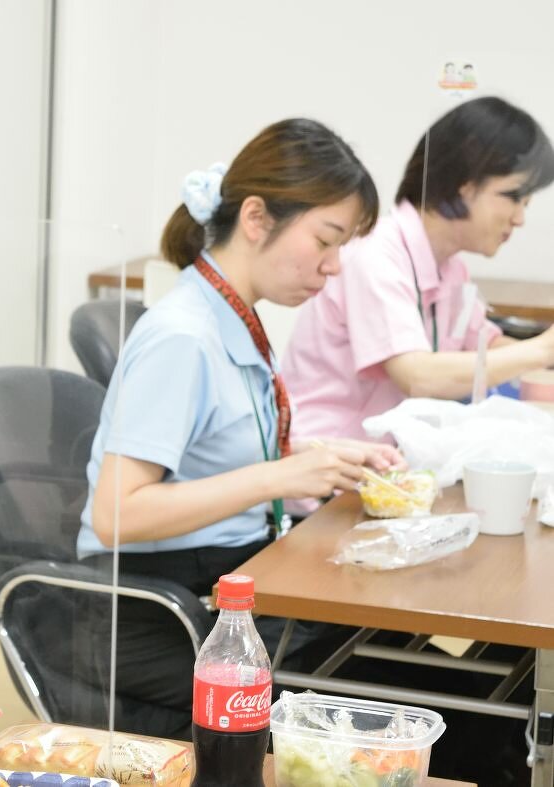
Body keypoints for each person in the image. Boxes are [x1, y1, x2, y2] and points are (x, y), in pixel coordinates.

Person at [72, 119, 403, 738]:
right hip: (157, 608)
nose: (333, 267)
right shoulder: (183, 337)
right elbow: (116, 514)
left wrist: (319, 456)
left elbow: (216, 449)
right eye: (325, 240)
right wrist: (280, 475)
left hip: (221, 576)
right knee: (388, 680)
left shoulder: (230, 315)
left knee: (388, 639)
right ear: (256, 218)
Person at [282, 96, 554, 442]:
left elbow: (487, 347)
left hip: (387, 460)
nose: (519, 219)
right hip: (327, 465)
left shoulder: (451, 269)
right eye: (513, 197)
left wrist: (543, 354)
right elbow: (417, 376)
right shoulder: (375, 255)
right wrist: (542, 350)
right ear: (464, 183)